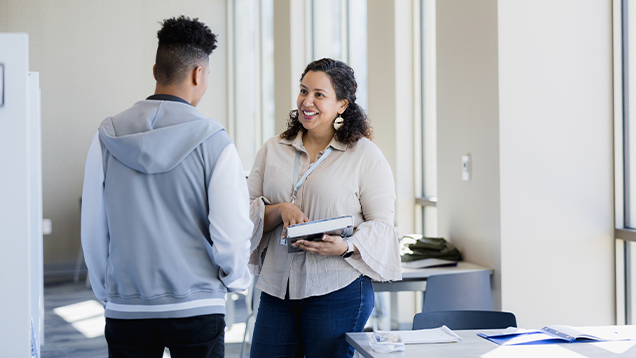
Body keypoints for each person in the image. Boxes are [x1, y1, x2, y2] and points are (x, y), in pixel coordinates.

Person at [81, 16, 252, 358]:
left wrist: (109, 292)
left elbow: (93, 228)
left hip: (127, 306)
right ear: (198, 74)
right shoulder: (215, 142)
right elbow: (230, 231)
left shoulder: (107, 136)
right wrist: (236, 281)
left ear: (155, 70)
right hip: (198, 305)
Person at [247, 58, 402, 358]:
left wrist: (345, 246)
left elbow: (382, 225)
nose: (307, 101)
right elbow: (243, 215)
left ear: (342, 105)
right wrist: (279, 210)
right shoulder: (272, 149)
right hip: (279, 287)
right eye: (304, 91)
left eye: (320, 94)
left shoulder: (364, 155)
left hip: (338, 288)